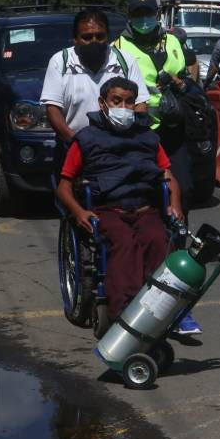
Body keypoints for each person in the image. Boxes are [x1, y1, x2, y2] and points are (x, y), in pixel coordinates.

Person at [55, 77, 183, 322]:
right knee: (125, 244)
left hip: (145, 208)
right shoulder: (86, 139)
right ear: (103, 103)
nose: (123, 108)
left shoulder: (148, 138)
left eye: (129, 102)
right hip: (107, 210)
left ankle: (163, 307)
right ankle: (125, 311)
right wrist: (79, 213)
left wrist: (174, 205)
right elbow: (63, 187)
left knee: (159, 241)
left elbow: (168, 176)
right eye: (117, 101)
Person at [114, 0, 202, 334]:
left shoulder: (173, 41)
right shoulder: (119, 49)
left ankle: (176, 296)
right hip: (138, 133)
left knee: (183, 200)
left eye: (147, 13)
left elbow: (189, 72)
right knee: (147, 206)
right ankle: (143, 287)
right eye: (137, 14)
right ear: (130, 17)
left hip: (174, 130)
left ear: (157, 14)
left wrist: (179, 83)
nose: (143, 19)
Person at [41, 9, 150, 177]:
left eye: (100, 36)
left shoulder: (125, 61)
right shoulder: (60, 62)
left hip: (120, 150)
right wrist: (78, 143)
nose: (94, 42)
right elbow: (52, 109)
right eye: (87, 37)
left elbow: (140, 104)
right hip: (74, 149)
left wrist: (127, 139)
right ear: (75, 39)